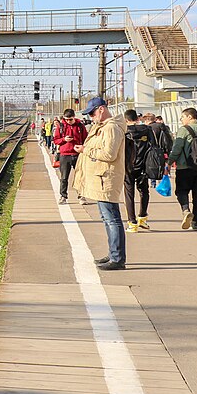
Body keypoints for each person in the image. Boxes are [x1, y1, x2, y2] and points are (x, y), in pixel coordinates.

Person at [73, 97, 127, 270]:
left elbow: (109, 154)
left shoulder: (111, 128)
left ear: (102, 109)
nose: (91, 117)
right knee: (107, 218)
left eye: (92, 113)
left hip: (106, 179)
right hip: (101, 178)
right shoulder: (103, 127)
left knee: (112, 219)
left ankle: (117, 259)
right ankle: (113, 254)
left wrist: (85, 150)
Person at [123, 109, 153, 231]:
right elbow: (153, 146)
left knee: (129, 194)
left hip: (128, 166)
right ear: (137, 118)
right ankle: (142, 218)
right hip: (144, 166)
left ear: (126, 120)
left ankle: (132, 222)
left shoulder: (124, 132)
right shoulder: (147, 130)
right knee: (144, 191)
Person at [52, 108, 87, 205]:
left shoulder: (80, 126)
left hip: (77, 154)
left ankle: (81, 196)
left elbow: (86, 138)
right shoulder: (61, 126)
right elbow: (56, 140)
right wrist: (64, 140)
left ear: (74, 117)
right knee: (64, 177)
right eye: (66, 119)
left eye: (70, 119)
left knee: (80, 176)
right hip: (65, 155)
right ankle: (63, 196)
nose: (68, 121)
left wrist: (83, 147)